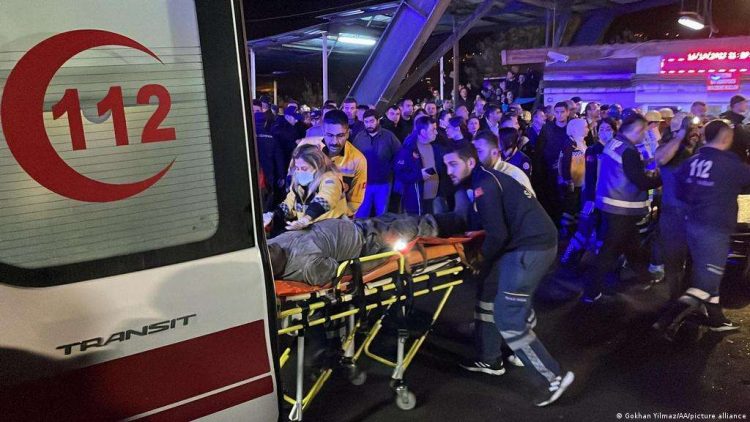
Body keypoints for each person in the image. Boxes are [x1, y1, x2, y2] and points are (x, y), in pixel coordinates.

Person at [444, 144, 574, 407]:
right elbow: (496, 226)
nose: (448, 171)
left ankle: (552, 377)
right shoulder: (485, 180)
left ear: (470, 163)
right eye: (446, 165)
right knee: (488, 290)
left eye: (452, 164)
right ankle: (489, 358)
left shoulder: (485, 186)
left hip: (531, 248)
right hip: (524, 243)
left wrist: (479, 260)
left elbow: (498, 235)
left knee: (508, 317)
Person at [654, 119, 748, 337]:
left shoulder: (692, 161)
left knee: (707, 275)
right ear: (726, 138)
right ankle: (666, 321)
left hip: (693, 226)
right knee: (706, 283)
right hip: (714, 231)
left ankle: (716, 319)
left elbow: (679, 192)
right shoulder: (728, 162)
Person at [584, 114, 662, 303]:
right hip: (623, 208)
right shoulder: (628, 150)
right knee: (610, 251)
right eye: (643, 131)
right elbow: (640, 181)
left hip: (611, 204)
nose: (644, 135)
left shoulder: (614, 144)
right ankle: (591, 291)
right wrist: (663, 178)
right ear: (636, 130)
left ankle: (643, 277)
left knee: (631, 244)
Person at [654, 113, 701, 300]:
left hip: (698, 215)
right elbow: (660, 159)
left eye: (696, 128)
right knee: (674, 262)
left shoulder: (700, 149)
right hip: (674, 214)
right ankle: (675, 300)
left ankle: (692, 300)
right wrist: (680, 135)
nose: (695, 132)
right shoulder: (668, 148)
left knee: (696, 262)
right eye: (691, 129)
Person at [560, 118, 618, 266]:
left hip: (611, 199)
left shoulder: (618, 150)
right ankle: (567, 259)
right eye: (602, 129)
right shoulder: (593, 150)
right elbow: (591, 177)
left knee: (603, 233)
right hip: (592, 197)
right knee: (583, 230)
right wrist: (590, 199)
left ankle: (599, 266)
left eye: (608, 129)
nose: (605, 133)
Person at [263, 144, 348, 234]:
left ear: (317, 166)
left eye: (304, 168)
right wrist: (272, 214)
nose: (299, 172)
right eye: (297, 168)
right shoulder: (298, 182)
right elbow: (289, 203)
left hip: (333, 232)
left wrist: (306, 219)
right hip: (311, 232)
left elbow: (325, 200)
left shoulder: (331, 179)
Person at [394, 116, 448, 214]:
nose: (436, 132)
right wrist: (419, 175)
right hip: (417, 200)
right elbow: (400, 173)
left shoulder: (436, 147)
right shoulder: (408, 149)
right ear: (423, 132)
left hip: (435, 197)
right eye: (433, 129)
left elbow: (438, 169)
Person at [353, 110, 401, 218]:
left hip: (384, 182)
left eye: (371, 121)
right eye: (366, 122)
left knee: (382, 214)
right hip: (364, 183)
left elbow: (399, 154)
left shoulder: (388, 136)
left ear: (377, 120)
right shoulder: (359, 137)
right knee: (361, 214)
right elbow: (353, 157)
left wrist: (392, 169)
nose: (369, 124)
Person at [321, 110, 368, 217]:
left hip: (339, 222)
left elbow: (355, 201)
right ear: (323, 131)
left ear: (347, 133)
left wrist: (338, 218)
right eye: (329, 135)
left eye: (340, 135)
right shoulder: (309, 151)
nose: (334, 141)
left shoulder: (358, 160)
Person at [536, 102, 570, 226]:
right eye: (557, 112)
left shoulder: (571, 127)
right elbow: (540, 150)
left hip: (567, 171)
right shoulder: (547, 128)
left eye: (562, 112)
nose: (559, 115)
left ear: (567, 112)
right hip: (549, 170)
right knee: (551, 199)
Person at [472, 130, 534, 195]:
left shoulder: (513, 176)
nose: (474, 156)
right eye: (473, 152)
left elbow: (528, 204)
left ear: (494, 153)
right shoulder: (478, 173)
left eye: (479, 151)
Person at [558, 118, 588, 236]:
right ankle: (566, 229)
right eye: (585, 127)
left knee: (575, 205)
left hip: (580, 181)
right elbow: (565, 163)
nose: (587, 129)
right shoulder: (570, 144)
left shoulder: (581, 143)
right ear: (576, 129)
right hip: (572, 182)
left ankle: (573, 228)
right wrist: (568, 180)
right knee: (570, 205)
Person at [255, 112, 287, 211]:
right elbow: (278, 158)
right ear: (265, 123)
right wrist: (281, 176)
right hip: (268, 174)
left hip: (252, 172)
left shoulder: (249, 136)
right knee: (267, 199)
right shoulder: (271, 138)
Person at [720, 94, 750, 162]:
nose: (746, 106)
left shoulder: (738, 121)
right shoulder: (729, 121)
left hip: (738, 155)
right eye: (744, 103)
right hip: (732, 156)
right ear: (737, 104)